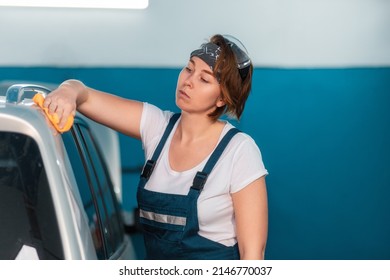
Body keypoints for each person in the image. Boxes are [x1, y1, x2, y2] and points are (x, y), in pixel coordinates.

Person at [44, 34, 268, 260]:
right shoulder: (157, 127)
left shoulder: (239, 150)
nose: (188, 81)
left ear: (222, 99)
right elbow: (85, 96)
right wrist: (67, 91)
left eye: (205, 79)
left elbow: (253, 254)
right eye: (189, 69)